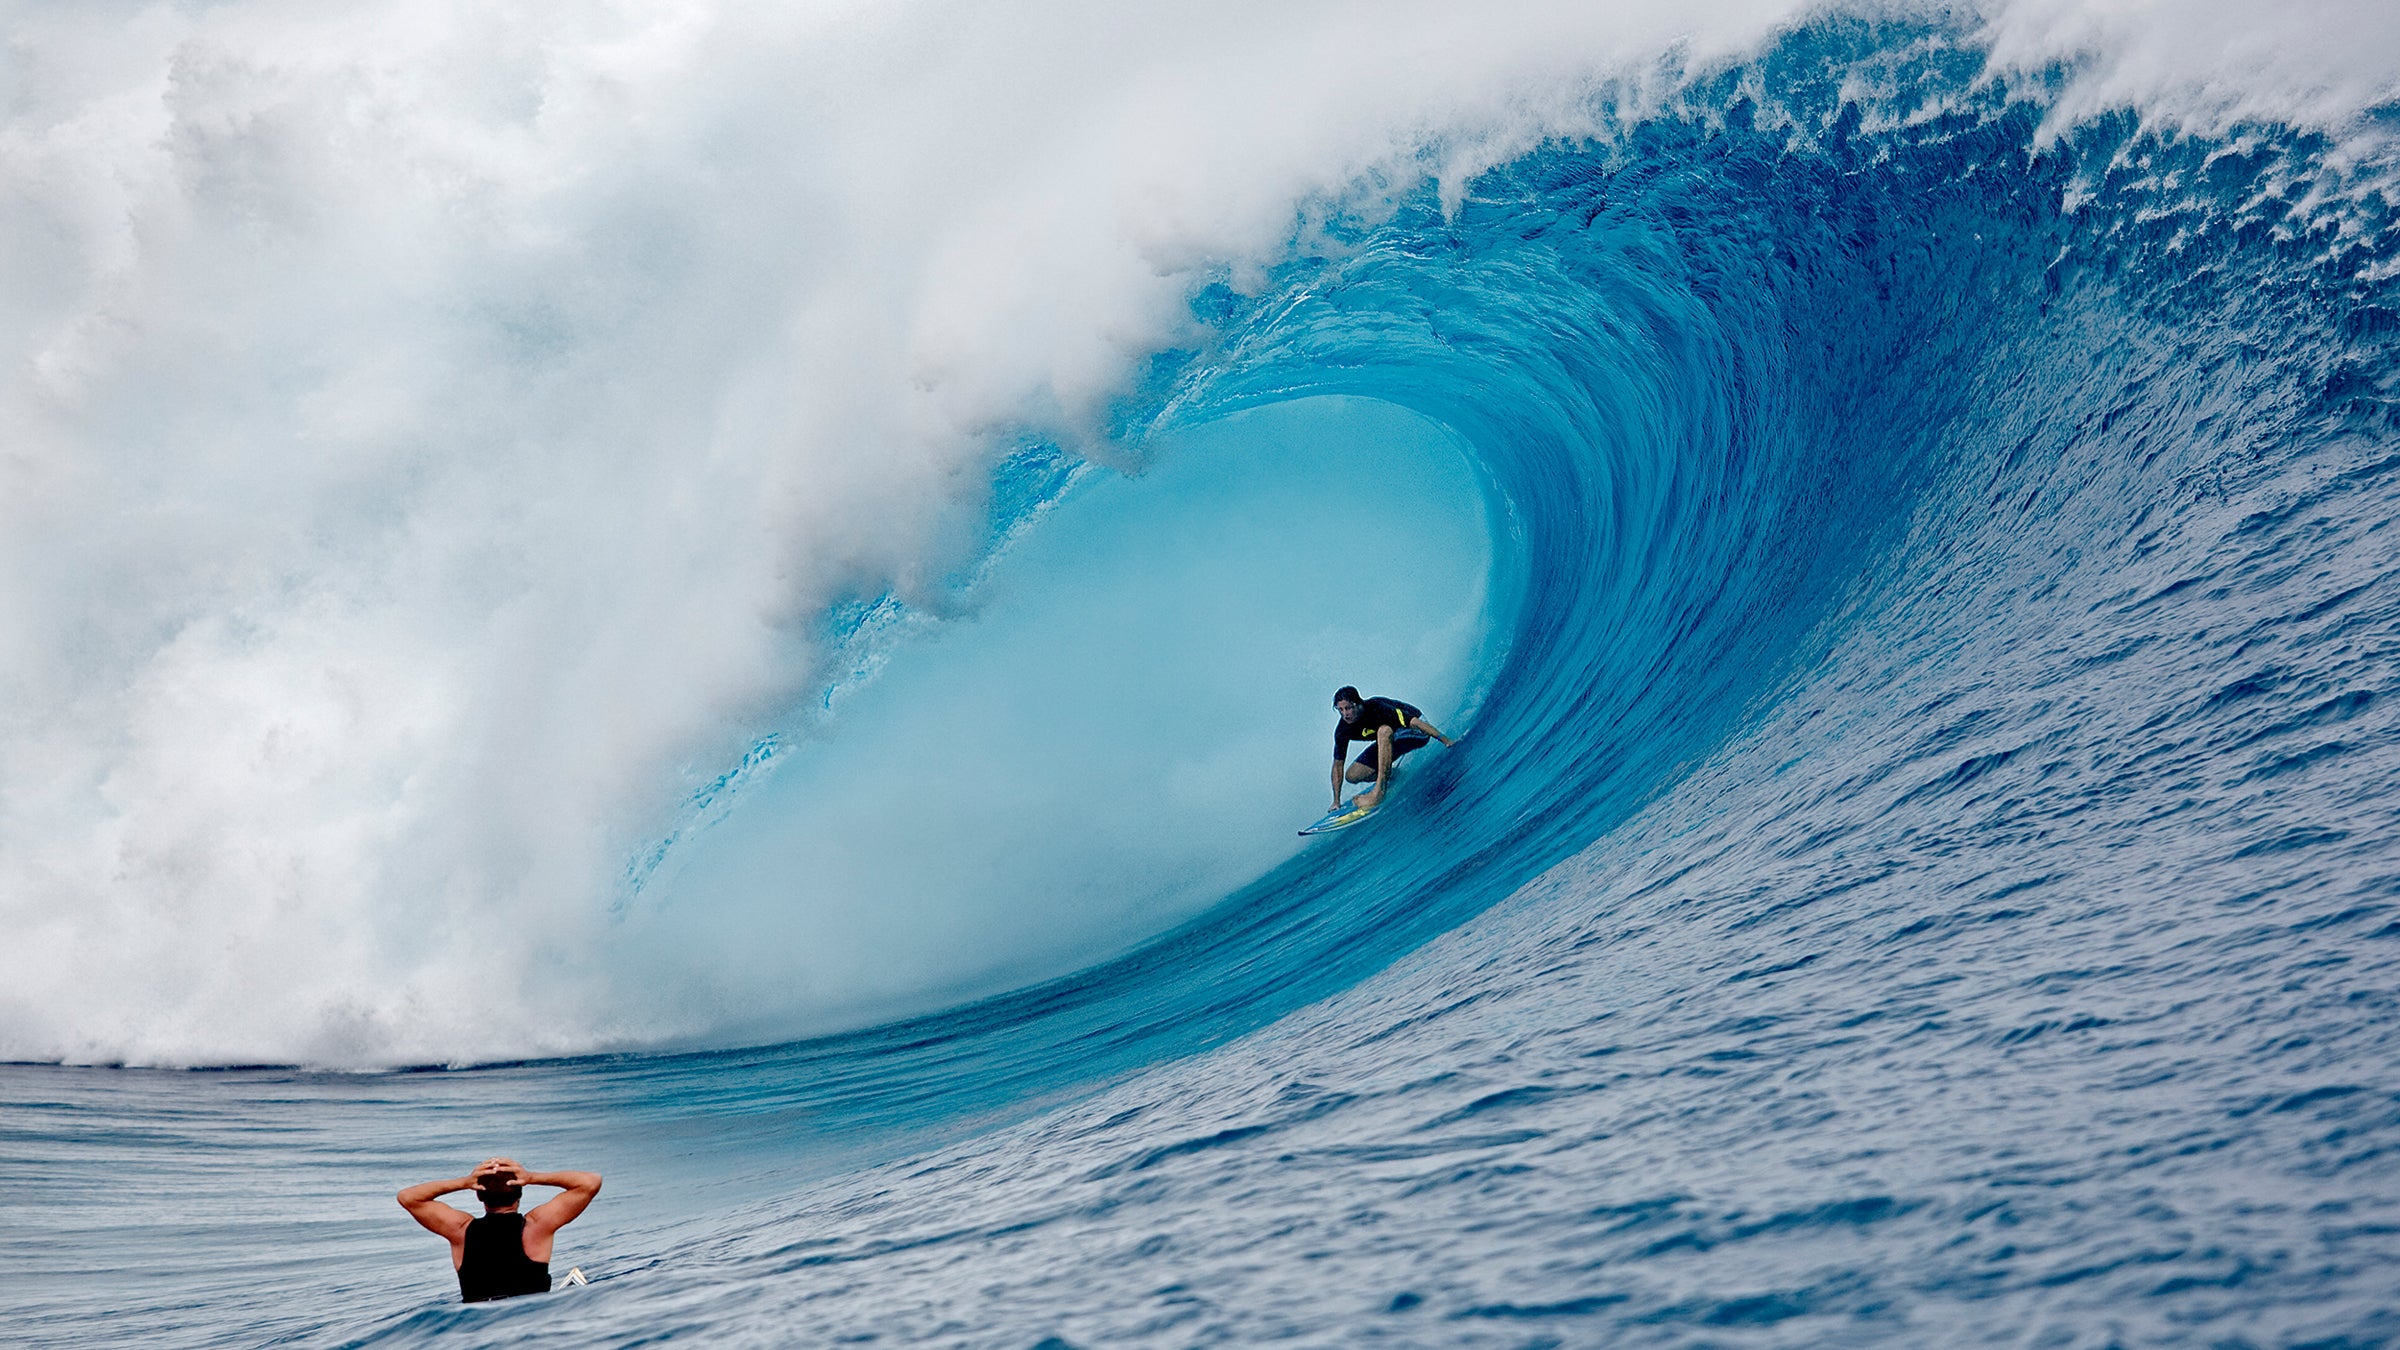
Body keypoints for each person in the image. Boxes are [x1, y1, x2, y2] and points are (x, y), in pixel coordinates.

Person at [397, 1157, 602, 1303]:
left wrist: (464, 1182)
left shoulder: (460, 1230)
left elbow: (408, 1197)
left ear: (479, 1195)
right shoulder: (536, 1226)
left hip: (478, 1324)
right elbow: (590, 1182)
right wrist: (532, 1177)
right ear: (520, 1192)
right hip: (531, 1318)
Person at [1331, 685, 1457, 813]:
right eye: (1340, 710)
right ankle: (1396, 775)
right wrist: (1336, 801)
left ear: (1357, 703)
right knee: (1352, 775)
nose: (1345, 714)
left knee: (1383, 731)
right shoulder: (1343, 730)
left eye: (1348, 708)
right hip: (1390, 738)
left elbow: (1415, 722)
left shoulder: (1376, 707)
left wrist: (1446, 741)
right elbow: (1337, 765)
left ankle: (1380, 791)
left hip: (1416, 731)